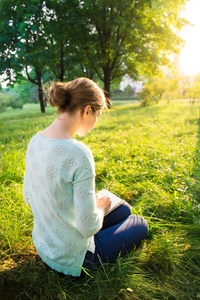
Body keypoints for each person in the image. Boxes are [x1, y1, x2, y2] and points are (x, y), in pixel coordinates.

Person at [23, 77, 148, 277]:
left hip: (44, 245)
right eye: (97, 113)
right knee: (139, 222)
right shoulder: (78, 152)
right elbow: (88, 226)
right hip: (75, 257)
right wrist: (99, 208)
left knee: (123, 209)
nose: (96, 120)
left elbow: (28, 197)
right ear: (87, 110)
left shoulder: (34, 141)